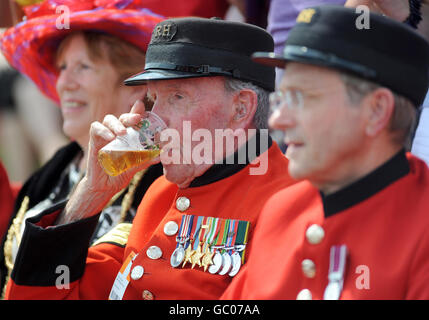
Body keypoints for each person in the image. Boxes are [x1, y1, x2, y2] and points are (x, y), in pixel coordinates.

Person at [4, 17, 296, 300]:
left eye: (177, 96)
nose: (154, 119)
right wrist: (91, 193)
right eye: (153, 100)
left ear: (241, 108)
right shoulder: (160, 194)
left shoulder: (289, 201)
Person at [222, 5, 429, 299]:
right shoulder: (283, 208)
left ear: (376, 110)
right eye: (282, 98)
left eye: (303, 97)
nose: (278, 120)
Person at [0, 0, 165, 293]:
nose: (64, 82)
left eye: (83, 67)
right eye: (63, 67)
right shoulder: (53, 172)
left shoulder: (159, 178)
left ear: (135, 87)